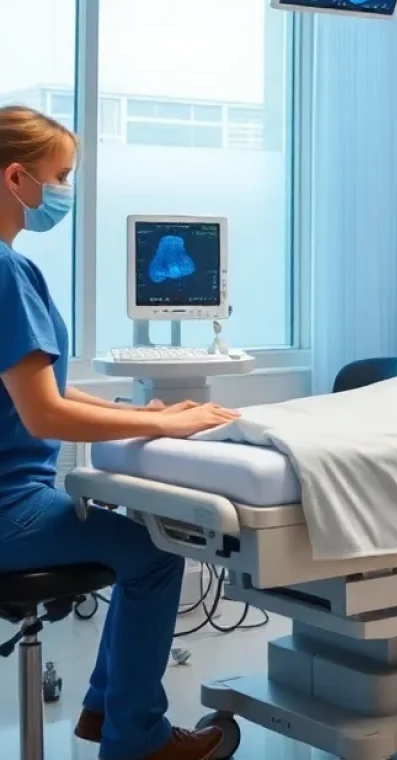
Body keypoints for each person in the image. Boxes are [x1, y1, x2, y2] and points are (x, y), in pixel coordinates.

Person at [0, 106, 240, 760]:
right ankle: (135, 736)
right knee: (157, 553)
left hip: (12, 498)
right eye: (62, 175)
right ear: (17, 177)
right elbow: (43, 415)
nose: (65, 191)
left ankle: (107, 714)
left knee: (134, 532)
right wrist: (170, 421)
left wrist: (153, 419)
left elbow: (32, 388)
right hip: (8, 509)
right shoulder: (5, 271)